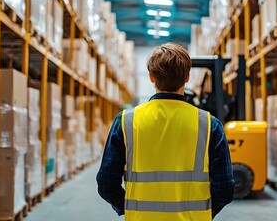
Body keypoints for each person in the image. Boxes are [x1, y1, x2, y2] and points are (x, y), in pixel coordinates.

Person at [96, 43, 235, 220]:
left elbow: (106, 184)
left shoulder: (126, 121)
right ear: (187, 77)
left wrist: (129, 207)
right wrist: (204, 212)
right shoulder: (209, 125)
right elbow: (225, 189)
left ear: (151, 77)